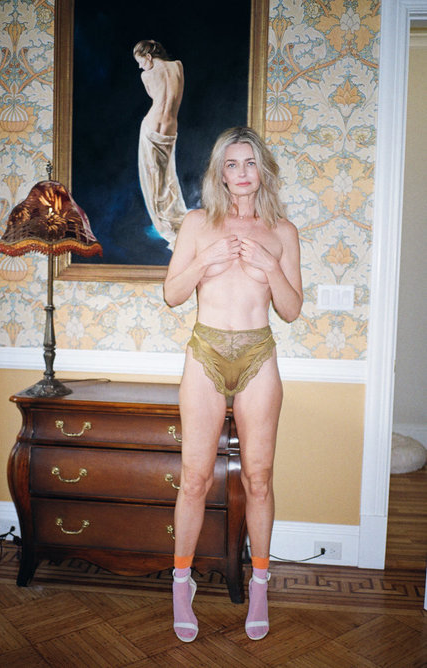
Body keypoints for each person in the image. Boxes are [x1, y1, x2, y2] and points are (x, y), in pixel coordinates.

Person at [163, 126, 303, 642]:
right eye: (231, 163)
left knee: (259, 478)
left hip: (257, 353)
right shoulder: (198, 223)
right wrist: (203, 261)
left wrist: (270, 267)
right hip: (205, 352)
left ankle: (260, 584)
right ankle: (182, 583)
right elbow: (172, 294)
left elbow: (291, 309)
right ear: (220, 173)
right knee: (195, 477)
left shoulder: (283, 231)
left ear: (262, 170)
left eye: (249, 163)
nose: (242, 173)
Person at [133, 40, 187, 249]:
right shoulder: (178, 66)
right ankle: (176, 225)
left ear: (148, 56)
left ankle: (169, 227)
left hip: (152, 126)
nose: (140, 67)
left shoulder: (146, 76)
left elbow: (154, 96)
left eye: (140, 61)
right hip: (170, 127)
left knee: (153, 178)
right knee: (166, 176)